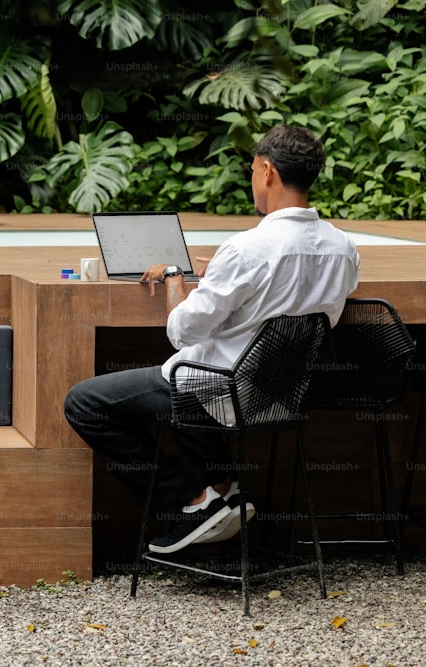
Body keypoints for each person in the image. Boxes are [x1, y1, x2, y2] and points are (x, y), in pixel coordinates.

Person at [64, 125, 360, 554]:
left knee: (86, 404)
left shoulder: (248, 250)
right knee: (201, 378)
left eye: (253, 171)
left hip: (223, 392)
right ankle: (225, 490)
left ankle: (194, 501)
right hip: (286, 394)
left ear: (267, 170)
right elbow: (299, 295)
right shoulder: (343, 248)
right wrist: (225, 279)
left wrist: (174, 278)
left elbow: (183, 332)